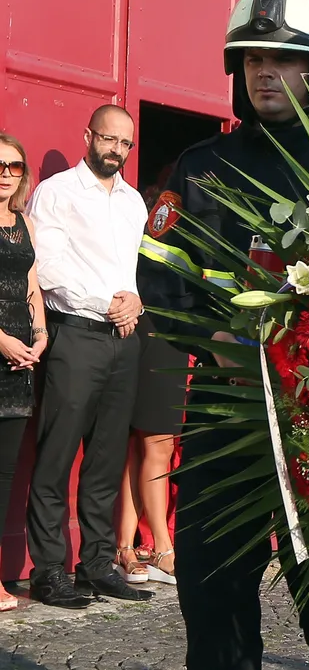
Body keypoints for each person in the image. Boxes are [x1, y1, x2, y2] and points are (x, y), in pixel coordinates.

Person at [137, 0, 309, 670]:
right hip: (226, 418)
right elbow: (157, 276)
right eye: (252, 58)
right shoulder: (202, 167)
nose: (264, 71)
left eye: (281, 58)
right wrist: (213, 338)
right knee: (211, 593)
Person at [26, 106, 149, 608]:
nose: (116, 150)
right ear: (87, 136)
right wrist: (107, 304)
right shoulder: (55, 192)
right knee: (56, 454)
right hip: (75, 334)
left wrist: (135, 300)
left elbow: (135, 269)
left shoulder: (135, 203)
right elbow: (47, 266)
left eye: (126, 143)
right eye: (108, 139)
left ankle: (97, 563)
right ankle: (49, 570)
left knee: (106, 457)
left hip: (125, 340)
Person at [114, 165, 189, 586]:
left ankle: (127, 546)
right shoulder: (170, 208)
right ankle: (160, 546)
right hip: (159, 332)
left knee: (144, 446)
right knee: (153, 443)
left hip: (163, 334)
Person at [0, 133, 45, 611]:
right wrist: (3, 340)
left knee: (4, 473)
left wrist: (41, 336)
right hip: (1, 346)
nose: (6, 173)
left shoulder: (24, 225)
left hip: (19, 362)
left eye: (14, 166)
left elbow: (31, 287)